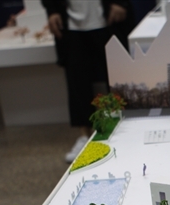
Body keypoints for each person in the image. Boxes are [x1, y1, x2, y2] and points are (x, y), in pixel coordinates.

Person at [41, 0, 135, 162]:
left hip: (107, 18)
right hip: (71, 24)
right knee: (77, 82)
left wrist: (121, 2)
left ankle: (125, 131)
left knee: (118, 79)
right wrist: (52, 9)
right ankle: (84, 137)